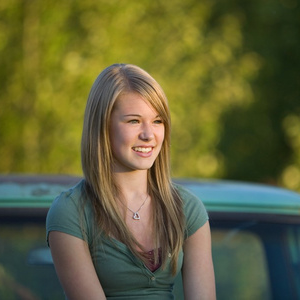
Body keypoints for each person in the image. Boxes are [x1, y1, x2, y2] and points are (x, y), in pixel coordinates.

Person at [46, 63, 216, 300]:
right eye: (134, 121)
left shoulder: (188, 209)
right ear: (102, 126)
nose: (148, 134)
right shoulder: (71, 212)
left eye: (157, 121)